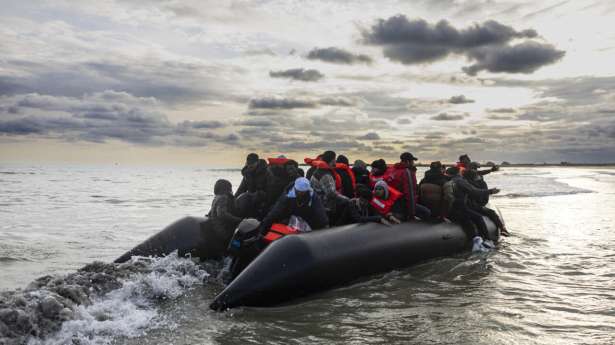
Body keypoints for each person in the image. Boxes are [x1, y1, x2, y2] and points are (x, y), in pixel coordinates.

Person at [447, 167, 500, 251]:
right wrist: (490, 191)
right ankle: (487, 240)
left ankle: (476, 240)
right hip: (459, 208)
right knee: (478, 217)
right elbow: (474, 191)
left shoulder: (446, 180)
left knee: (469, 220)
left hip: (448, 210)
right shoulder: (460, 181)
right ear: (457, 173)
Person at [258, 177, 329, 235]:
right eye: (298, 192)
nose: (300, 194)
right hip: (289, 219)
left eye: (302, 193)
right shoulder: (287, 195)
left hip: (307, 220)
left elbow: (320, 212)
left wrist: (325, 225)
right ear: (295, 188)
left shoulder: (312, 196)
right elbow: (276, 211)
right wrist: (264, 226)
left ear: (307, 190)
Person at [386, 152, 431, 221]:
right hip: (404, 203)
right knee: (427, 213)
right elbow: (409, 193)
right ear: (407, 162)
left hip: (393, 202)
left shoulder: (392, 170)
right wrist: (412, 213)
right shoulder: (407, 172)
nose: (413, 163)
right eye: (412, 161)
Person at [464, 168, 509, 236]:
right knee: (491, 212)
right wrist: (490, 191)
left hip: (468, 205)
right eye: (476, 175)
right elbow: (477, 192)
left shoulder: (464, 182)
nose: (478, 176)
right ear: (473, 176)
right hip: (471, 206)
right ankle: (502, 229)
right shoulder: (472, 184)